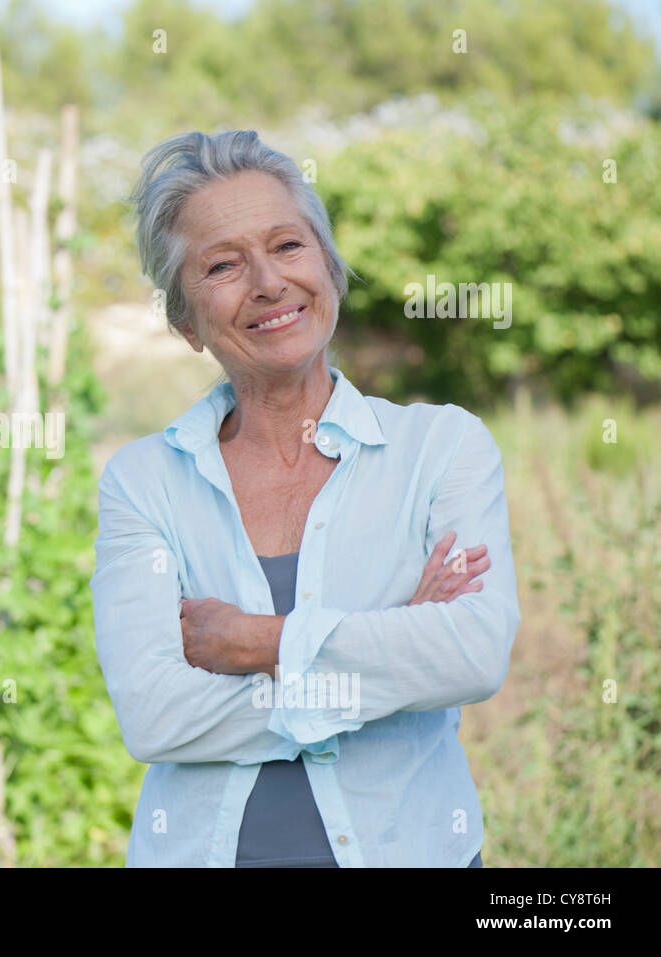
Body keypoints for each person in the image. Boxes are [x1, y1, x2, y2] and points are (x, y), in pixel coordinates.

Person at [90, 129, 520, 867]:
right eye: (223, 264)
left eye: (288, 246)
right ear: (186, 321)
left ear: (327, 265)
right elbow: (155, 716)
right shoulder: (144, 480)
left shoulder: (442, 447)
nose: (267, 282)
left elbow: (472, 654)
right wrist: (390, 644)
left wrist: (258, 643)